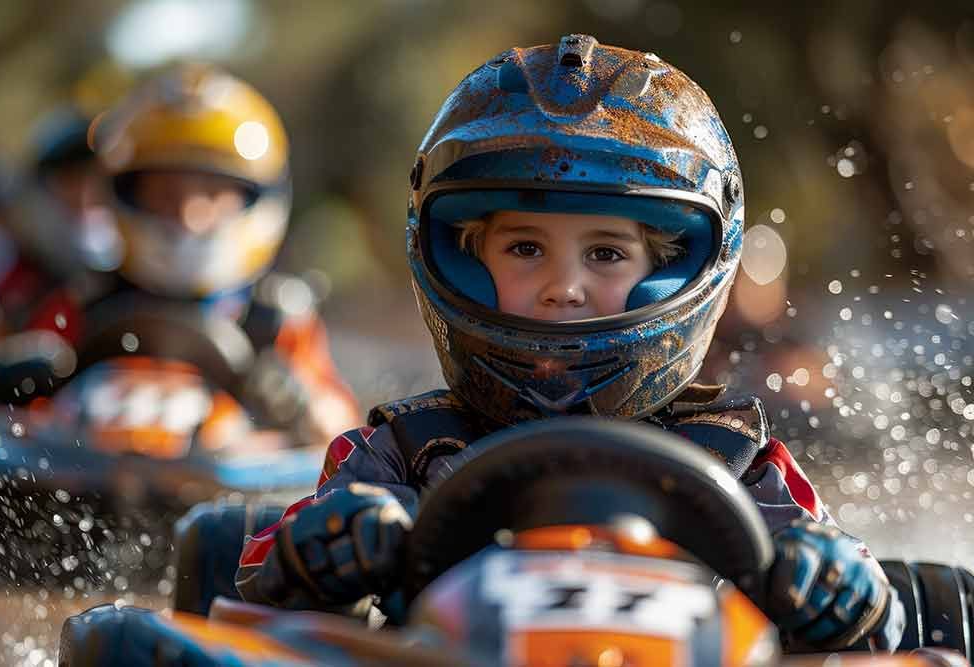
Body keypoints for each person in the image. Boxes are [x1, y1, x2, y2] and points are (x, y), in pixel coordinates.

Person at [233, 36, 904, 651]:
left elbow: (867, 598)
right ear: (464, 259)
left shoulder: (737, 456)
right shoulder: (400, 451)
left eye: (606, 252)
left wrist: (839, 582)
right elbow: (254, 580)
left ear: (671, 271)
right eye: (525, 248)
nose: (563, 287)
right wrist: (338, 543)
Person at [1, 65, 360, 446]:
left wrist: (298, 402)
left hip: (233, 492)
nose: (189, 216)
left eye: (211, 194)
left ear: (254, 197)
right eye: (165, 194)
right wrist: (15, 379)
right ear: (125, 193)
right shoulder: (80, 302)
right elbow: (9, 427)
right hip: (83, 484)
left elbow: (340, 434)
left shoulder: (277, 318)